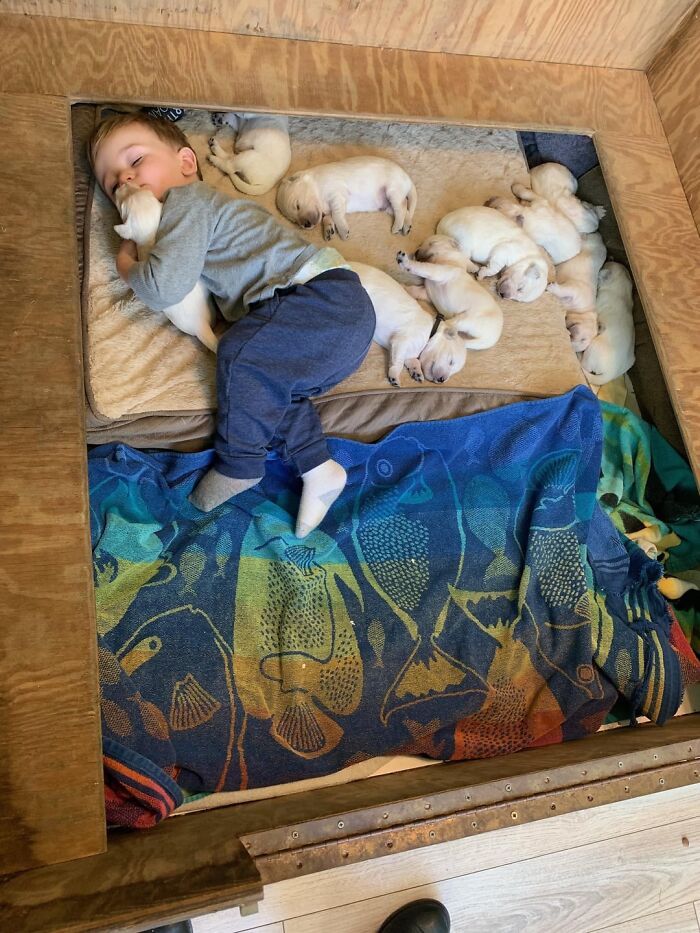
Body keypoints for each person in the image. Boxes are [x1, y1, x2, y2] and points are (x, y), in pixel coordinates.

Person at [88, 113, 375, 538]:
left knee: (238, 354)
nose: (125, 179)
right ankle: (319, 467)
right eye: (113, 184)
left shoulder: (189, 203)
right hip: (325, 326)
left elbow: (163, 287)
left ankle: (239, 464)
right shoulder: (181, 221)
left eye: (135, 160)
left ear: (186, 163)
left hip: (322, 301)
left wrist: (127, 262)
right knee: (262, 386)